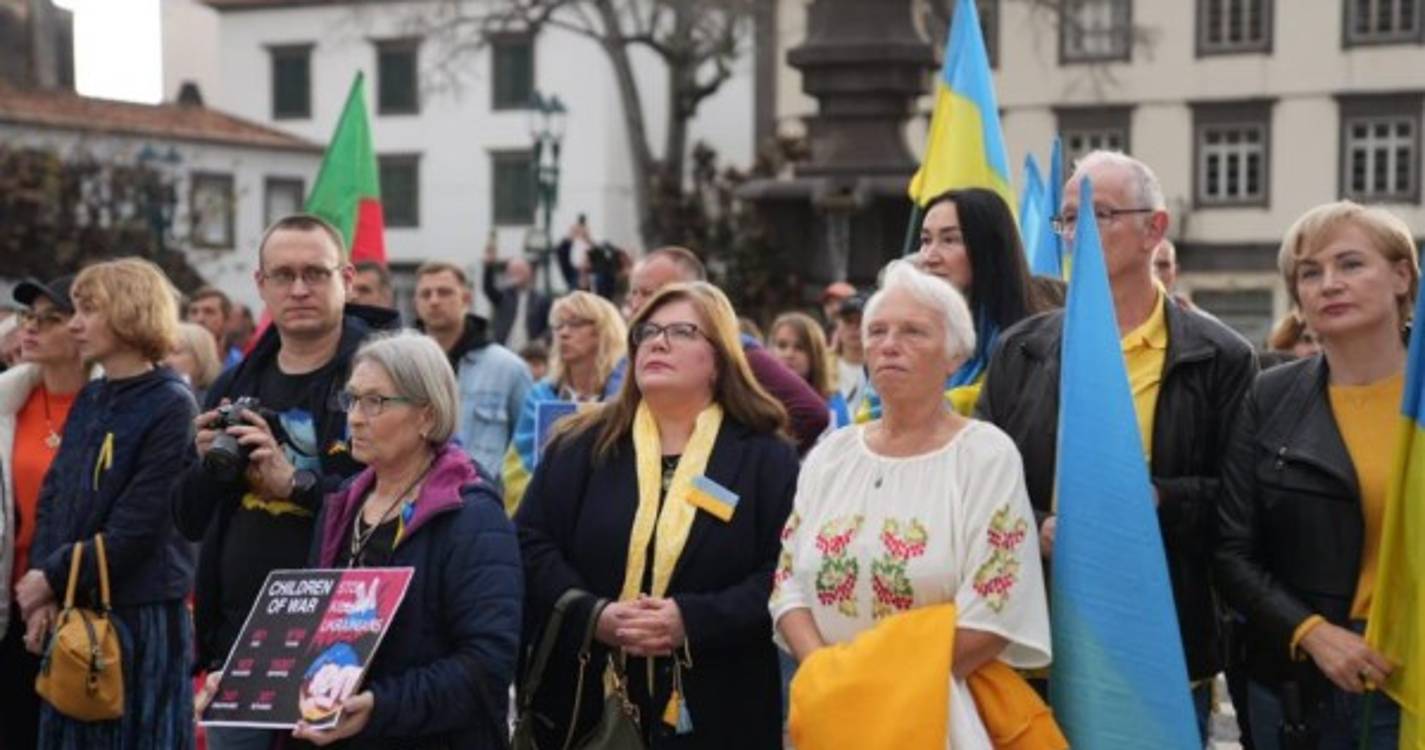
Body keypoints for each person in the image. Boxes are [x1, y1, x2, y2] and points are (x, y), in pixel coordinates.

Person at [976, 150, 1258, 737]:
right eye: (1068, 218)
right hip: (1040, 641)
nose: (1077, 232)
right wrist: (1038, 526)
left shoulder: (1220, 356)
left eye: (1099, 214)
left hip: (1159, 640)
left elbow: (1241, 503)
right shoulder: (1021, 350)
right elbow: (980, 486)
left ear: (1155, 229)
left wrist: (1157, 500)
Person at [772, 260, 1051, 745]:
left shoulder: (985, 455)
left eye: (914, 331)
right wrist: (827, 679)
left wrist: (871, 687)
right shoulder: (831, 455)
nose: (889, 344)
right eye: (877, 331)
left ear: (954, 355)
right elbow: (787, 584)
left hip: (939, 715)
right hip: (832, 716)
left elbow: (996, 608)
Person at [515, 281, 798, 748]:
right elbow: (529, 544)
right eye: (647, 332)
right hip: (586, 706)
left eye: (682, 331)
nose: (658, 342)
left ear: (719, 359)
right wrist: (594, 615)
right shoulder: (579, 445)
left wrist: (693, 619)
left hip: (720, 707)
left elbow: (784, 574)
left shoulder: (766, 458)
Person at [172, 214, 397, 750]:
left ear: (346, 279)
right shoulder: (235, 382)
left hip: (348, 641)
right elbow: (187, 518)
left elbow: (400, 501)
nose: (298, 289)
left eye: (315, 274)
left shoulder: (383, 377)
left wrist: (295, 483)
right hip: (242, 642)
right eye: (283, 275)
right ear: (261, 284)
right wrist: (205, 466)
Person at [1216, 201, 1418, 749]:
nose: (1329, 284)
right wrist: (1313, 634)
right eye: (1310, 273)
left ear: (1402, 276)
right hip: (1301, 680)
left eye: (1350, 264)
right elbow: (1232, 552)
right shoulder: (1269, 396)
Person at [293, 331, 521, 748]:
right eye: (351, 399)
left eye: (375, 401)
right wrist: (252, 679)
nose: (354, 418)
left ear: (427, 417)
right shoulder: (341, 505)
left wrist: (381, 706)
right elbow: (315, 631)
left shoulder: (471, 515)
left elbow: (487, 666)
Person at [17, 258, 198, 748]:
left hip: (139, 618)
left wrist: (49, 577)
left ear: (130, 312)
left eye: (88, 310)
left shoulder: (171, 403)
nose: (75, 324)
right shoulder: (93, 395)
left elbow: (138, 529)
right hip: (77, 610)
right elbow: (55, 497)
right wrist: (44, 590)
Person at [623, 246, 829, 454]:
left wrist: (748, 458)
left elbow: (811, 413)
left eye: (649, 293)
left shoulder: (736, 352)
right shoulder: (636, 355)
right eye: (634, 293)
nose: (637, 304)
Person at [0, 275, 89, 750]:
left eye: (49, 319)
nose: (31, 328)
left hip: (78, 597)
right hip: (10, 595)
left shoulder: (105, 405)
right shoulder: (9, 401)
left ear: (82, 330)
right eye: (27, 317)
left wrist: (54, 582)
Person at [861, 187, 1038, 420]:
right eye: (925, 240)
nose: (930, 256)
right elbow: (868, 413)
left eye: (949, 240)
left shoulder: (1028, 348)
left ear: (988, 247)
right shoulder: (897, 336)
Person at [501, 291, 626, 514]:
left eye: (575, 324)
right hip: (545, 516)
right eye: (559, 326)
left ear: (603, 330)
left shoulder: (625, 397)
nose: (563, 333)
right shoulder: (540, 395)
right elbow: (516, 471)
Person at [412, 261, 532, 481]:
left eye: (444, 292)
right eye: (425, 294)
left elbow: (529, 450)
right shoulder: (399, 369)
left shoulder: (509, 368)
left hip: (483, 494)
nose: (434, 301)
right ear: (416, 303)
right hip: (413, 495)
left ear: (466, 298)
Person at [769, 311, 850, 430]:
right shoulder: (761, 399)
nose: (789, 354)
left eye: (799, 348)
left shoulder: (833, 401)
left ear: (815, 355)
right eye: (782, 346)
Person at [482, 244, 552, 350]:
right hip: (505, 348)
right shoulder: (503, 295)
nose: (516, 274)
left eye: (520, 271)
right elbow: (488, 288)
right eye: (513, 271)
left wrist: (542, 340)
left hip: (530, 351)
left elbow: (551, 326)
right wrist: (489, 266)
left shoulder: (541, 300)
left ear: (529, 272)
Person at [831, 296, 870, 420]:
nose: (854, 327)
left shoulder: (882, 366)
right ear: (838, 325)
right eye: (848, 321)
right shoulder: (821, 365)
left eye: (860, 321)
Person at [168, 321, 224, 404]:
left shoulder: (213, 402)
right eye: (163, 353)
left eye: (176, 352)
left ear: (201, 358)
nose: (166, 360)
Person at [187, 285, 243, 368]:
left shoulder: (238, 366)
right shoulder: (171, 355)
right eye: (194, 312)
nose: (199, 319)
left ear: (227, 320)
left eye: (209, 312)